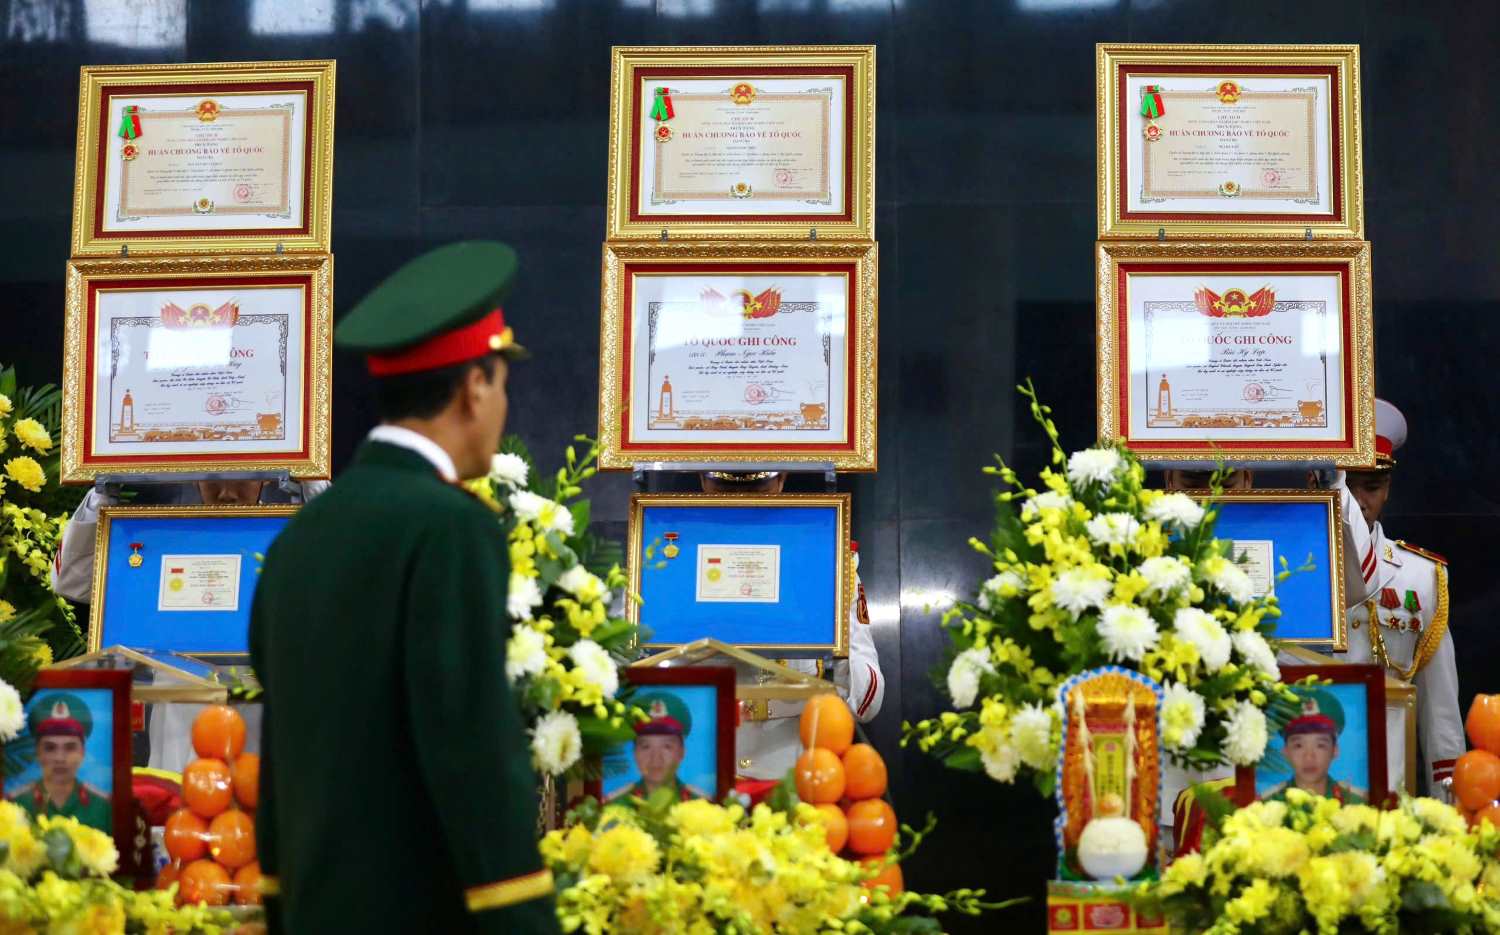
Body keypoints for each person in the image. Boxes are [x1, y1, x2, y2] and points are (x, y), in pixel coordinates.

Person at [249, 241, 558, 933]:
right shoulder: (450, 529)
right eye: (502, 382)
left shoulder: (301, 538)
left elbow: (280, 769)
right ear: (475, 386)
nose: (503, 402)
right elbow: (473, 753)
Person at [697, 471, 885, 800]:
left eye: (758, 486)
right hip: (700, 765)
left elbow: (867, 701)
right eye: (726, 485)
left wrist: (827, 633)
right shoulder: (667, 558)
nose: (744, 500)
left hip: (792, 769)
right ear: (702, 481)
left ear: (781, 480)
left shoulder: (828, 562)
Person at [1318, 399, 1464, 797]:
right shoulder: (1285, 568)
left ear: (1389, 489)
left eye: (1372, 486)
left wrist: (1448, 815)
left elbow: (1441, 718)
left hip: (1388, 794)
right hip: (1295, 789)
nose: (1358, 501)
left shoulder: (1421, 578)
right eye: (1347, 485)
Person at [8, 692, 112, 831]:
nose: (60, 758)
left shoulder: (102, 806)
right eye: (50, 748)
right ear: (38, 753)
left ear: (82, 753)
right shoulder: (17, 804)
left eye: (70, 748)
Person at [1261, 688, 1366, 804]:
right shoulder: (1267, 805)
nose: (1309, 757)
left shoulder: (1356, 804)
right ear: (1285, 751)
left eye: (1320, 745)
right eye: (1298, 745)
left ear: (1335, 750)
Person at [604, 692, 710, 804]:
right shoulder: (617, 803)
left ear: (682, 752)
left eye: (667, 747)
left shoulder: (701, 805)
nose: (656, 758)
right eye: (646, 747)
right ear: (635, 752)